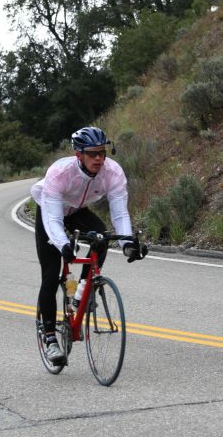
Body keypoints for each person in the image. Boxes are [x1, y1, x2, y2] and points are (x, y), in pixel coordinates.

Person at [30, 126, 147, 364]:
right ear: (79, 155)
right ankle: (50, 338)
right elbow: (53, 219)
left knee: (102, 237)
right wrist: (63, 244)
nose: (99, 158)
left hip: (77, 210)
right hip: (50, 210)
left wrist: (127, 243)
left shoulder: (113, 172)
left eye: (102, 153)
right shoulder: (60, 173)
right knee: (51, 274)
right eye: (93, 153)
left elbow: (120, 212)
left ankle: (83, 291)